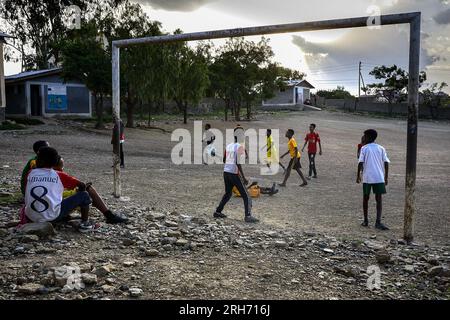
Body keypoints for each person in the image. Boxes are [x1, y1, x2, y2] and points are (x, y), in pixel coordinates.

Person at [24, 147, 99, 232]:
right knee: (84, 195)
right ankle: (85, 223)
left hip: (31, 216)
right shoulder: (59, 175)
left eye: (37, 158)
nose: (35, 160)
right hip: (52, 217)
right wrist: (80, 191)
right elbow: (81, 184)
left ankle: (59, 216)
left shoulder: (30, 173)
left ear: (41, 161)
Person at [53, 156, 128, 225]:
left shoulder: (45, 174)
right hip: (54, 210)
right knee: (87, 192)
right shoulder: (56, 175)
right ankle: (87, 223)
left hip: (51, 209)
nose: (62, 170)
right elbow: (58, 194)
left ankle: (107, 214)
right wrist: (75, 191)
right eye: (60, 168)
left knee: (86, 189)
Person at [214, 126, 259, 223]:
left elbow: (224, 160)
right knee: (246, 195)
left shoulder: (229, 146)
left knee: (228, 193)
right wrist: (243, 177)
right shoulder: (239, 146)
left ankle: (218, 211)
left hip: (226, 172)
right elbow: (238, 162)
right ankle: (248, 216)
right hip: (234, 173)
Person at [356, 129, 390, 230]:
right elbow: (386, 162)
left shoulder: (364, 148)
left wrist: (358, 175)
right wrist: (386, 177)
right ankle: (378, 222)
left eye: (365, 136)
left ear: (369, 137)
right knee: (378, 200)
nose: (363, 138)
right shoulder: (381, 148)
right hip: (379, 177)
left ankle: (366, 221)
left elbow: (360, 162)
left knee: (366, 198)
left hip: (367, 177)